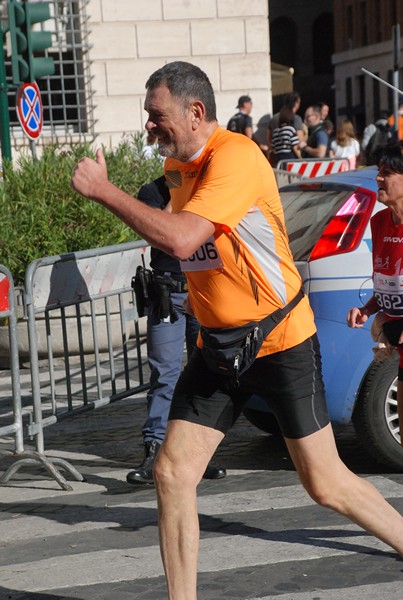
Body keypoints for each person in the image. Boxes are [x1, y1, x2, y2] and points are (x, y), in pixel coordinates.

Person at [71, 61, 403, 600]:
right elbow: (187, 246)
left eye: (157, 116)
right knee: (173, 472)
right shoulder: (178, 168)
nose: (148, 126)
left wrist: (104, 192)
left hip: (280, 341)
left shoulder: (237, 157)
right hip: (219, 347)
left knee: (324, 482)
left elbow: (182, 240)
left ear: (195, 112)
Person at [127, 176, 226, 484]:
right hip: (168, 294)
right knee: (165, 373)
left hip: (204, 292)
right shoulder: (153, 191)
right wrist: (177, 191)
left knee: (205, 370)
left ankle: (199, 451)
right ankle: (155, 449)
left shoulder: (208, 185)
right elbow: (162, 235)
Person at [347, 141, 403, 447]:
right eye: (379, 172)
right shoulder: (379, 222)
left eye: (388, 172)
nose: (379, 178)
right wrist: (368, 309)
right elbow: (386, 281)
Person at [267, 91, 304, 156]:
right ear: (296, 103)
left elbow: (268, 138)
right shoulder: (296, 118)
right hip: (292, 155)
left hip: (277, 155)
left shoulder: (274, 118)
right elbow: (300, 140)